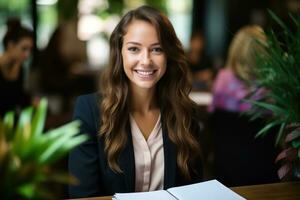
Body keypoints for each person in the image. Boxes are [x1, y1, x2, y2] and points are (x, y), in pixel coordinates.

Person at [69, 5, 203, 198]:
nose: (146, 60)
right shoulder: (89, 111)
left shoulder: (185, 112)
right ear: (119, 52)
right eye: (134, 49)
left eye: (157, 49)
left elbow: (195, 192)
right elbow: (82, 196)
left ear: (169, 55)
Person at [209, 25, 279, 186]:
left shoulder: (222, 79)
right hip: (266, 174)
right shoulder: (273, 89)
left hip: (224, 171)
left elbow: (212, 120)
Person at [0, 18, 33, 116]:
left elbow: (19, 99)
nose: (27, 54)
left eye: (30, 50)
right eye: (24, 49)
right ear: (10, 45)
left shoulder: (20, 69)